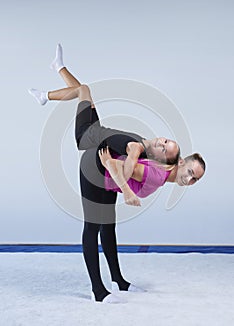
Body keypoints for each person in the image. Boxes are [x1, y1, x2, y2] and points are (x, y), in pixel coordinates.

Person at [29, 44, 205, 303]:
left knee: (84, 91)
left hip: (100, 149)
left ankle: (118, 281)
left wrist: (120, 174)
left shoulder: (156, 160)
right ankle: (97, 291)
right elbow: (126, 164)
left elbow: (129, 164)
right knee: (93, 227)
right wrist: (122, 184)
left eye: (194, 178)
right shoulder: (147, 156)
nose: (190, 179)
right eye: (190, 171)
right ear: (179, 163)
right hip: (92, 153)